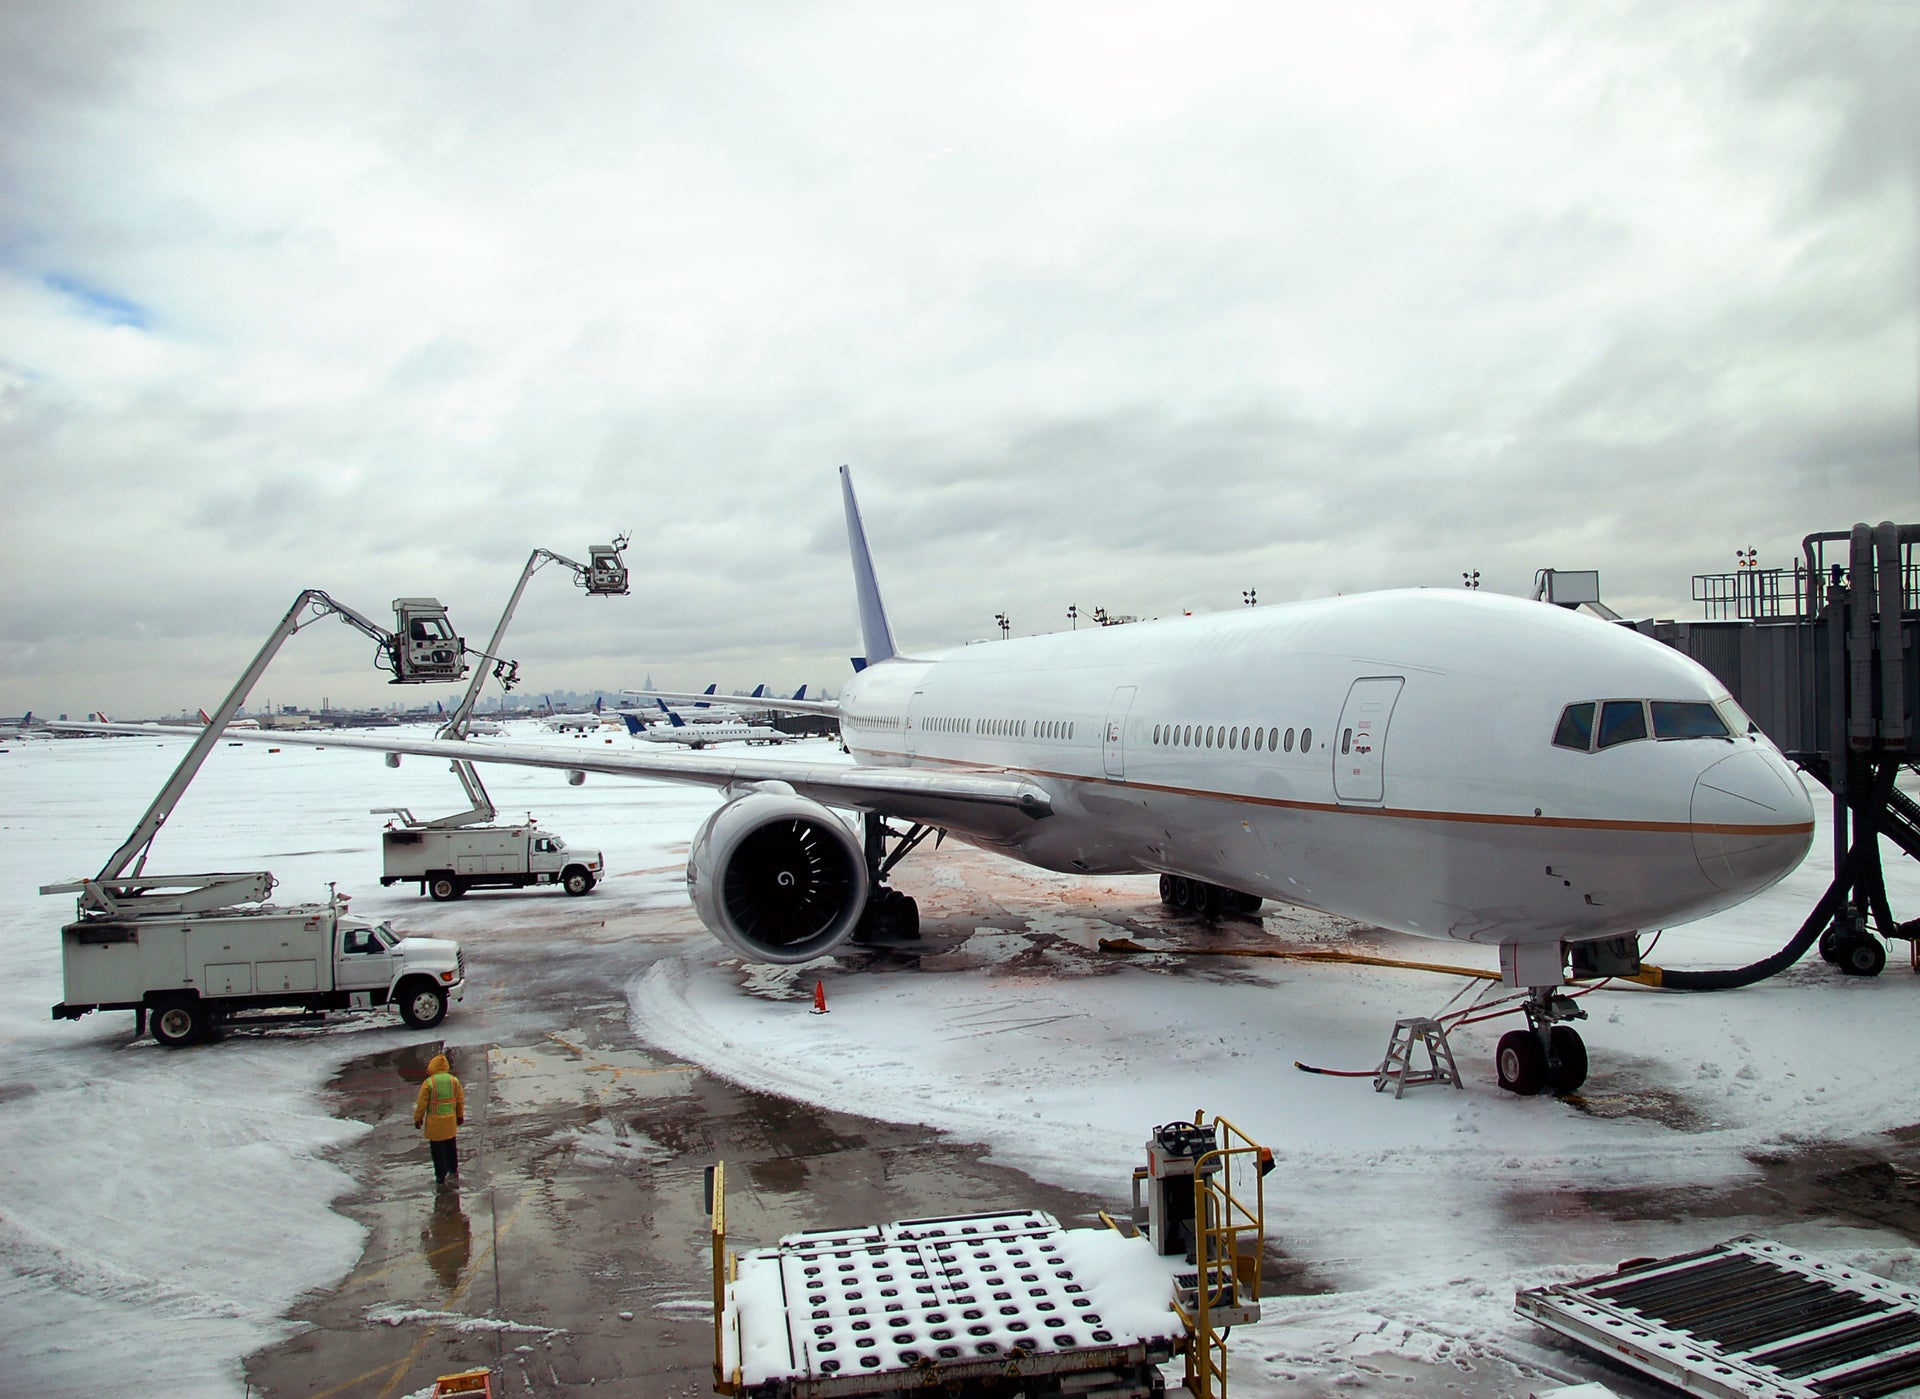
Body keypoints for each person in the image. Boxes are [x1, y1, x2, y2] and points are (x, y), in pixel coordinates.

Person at [413, 1052, 465, 1185]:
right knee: (450, 1147)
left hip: (435, 1124)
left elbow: (422, 1104)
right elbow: (460, 1101)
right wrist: (460, 1116)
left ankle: (441, 1176)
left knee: (437, 1151)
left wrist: (418, 1119)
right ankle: (453, 1169)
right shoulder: (454, 1081)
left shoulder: (429, 1083)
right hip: (450, 1123)